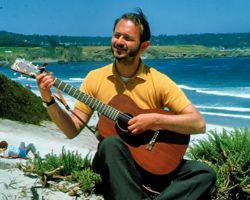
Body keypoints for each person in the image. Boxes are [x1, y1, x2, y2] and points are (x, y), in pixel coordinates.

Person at [36, 8, 216, 200]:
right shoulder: (95, 78)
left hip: (151, 163)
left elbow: (198, 123)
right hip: (115, 163)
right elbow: (72, 130)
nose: (119, 42)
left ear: (144, 46)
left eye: (128, 38)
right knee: (111, 142)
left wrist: (154, 120)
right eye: (116, 35)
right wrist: (49, 99)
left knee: (204, 173)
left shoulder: (158, 81)